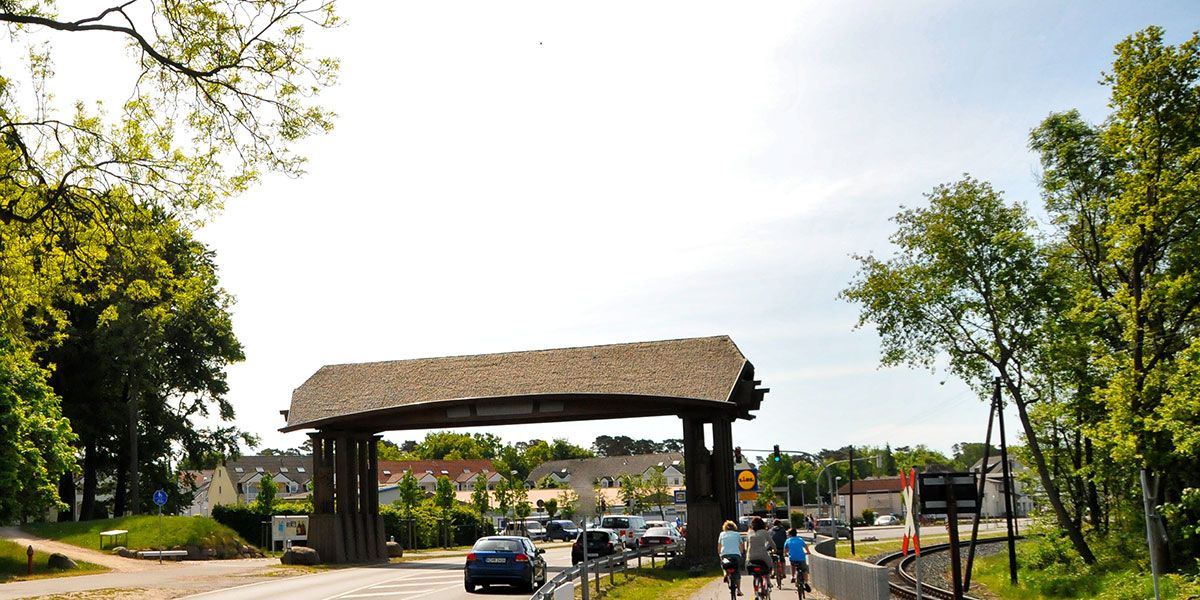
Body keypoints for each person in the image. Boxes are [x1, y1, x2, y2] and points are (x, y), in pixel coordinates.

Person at [746, 516, 778, 590]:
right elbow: (771, 543)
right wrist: (775, 549)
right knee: (769, 565)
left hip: (751, 556)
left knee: (754, 572)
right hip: (762, 555)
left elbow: (747, 546)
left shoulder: (749, 533)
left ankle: (756, 592)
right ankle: (768, 581)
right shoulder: (764, 532)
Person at [718, 519, 746, 596]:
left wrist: (720, 553)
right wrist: (741, 552)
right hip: (735, 555)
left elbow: (719, 547)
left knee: (723, 565)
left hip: (725, 555)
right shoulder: (737, 534)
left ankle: (725, 574)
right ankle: (739, 590)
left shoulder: (722, 534)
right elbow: (741, 546)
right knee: (737, 571)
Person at [783, 527, 811, 591]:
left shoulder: (788, 541)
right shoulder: (800, 539)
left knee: (793, 565)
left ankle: (793, 576)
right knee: (804, 570)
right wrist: (808, 552)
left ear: (790, 535)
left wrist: (786, 554)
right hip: (801, 557)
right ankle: (806, 582)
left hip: (792, 557)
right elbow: (805, 546)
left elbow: (785, 550)